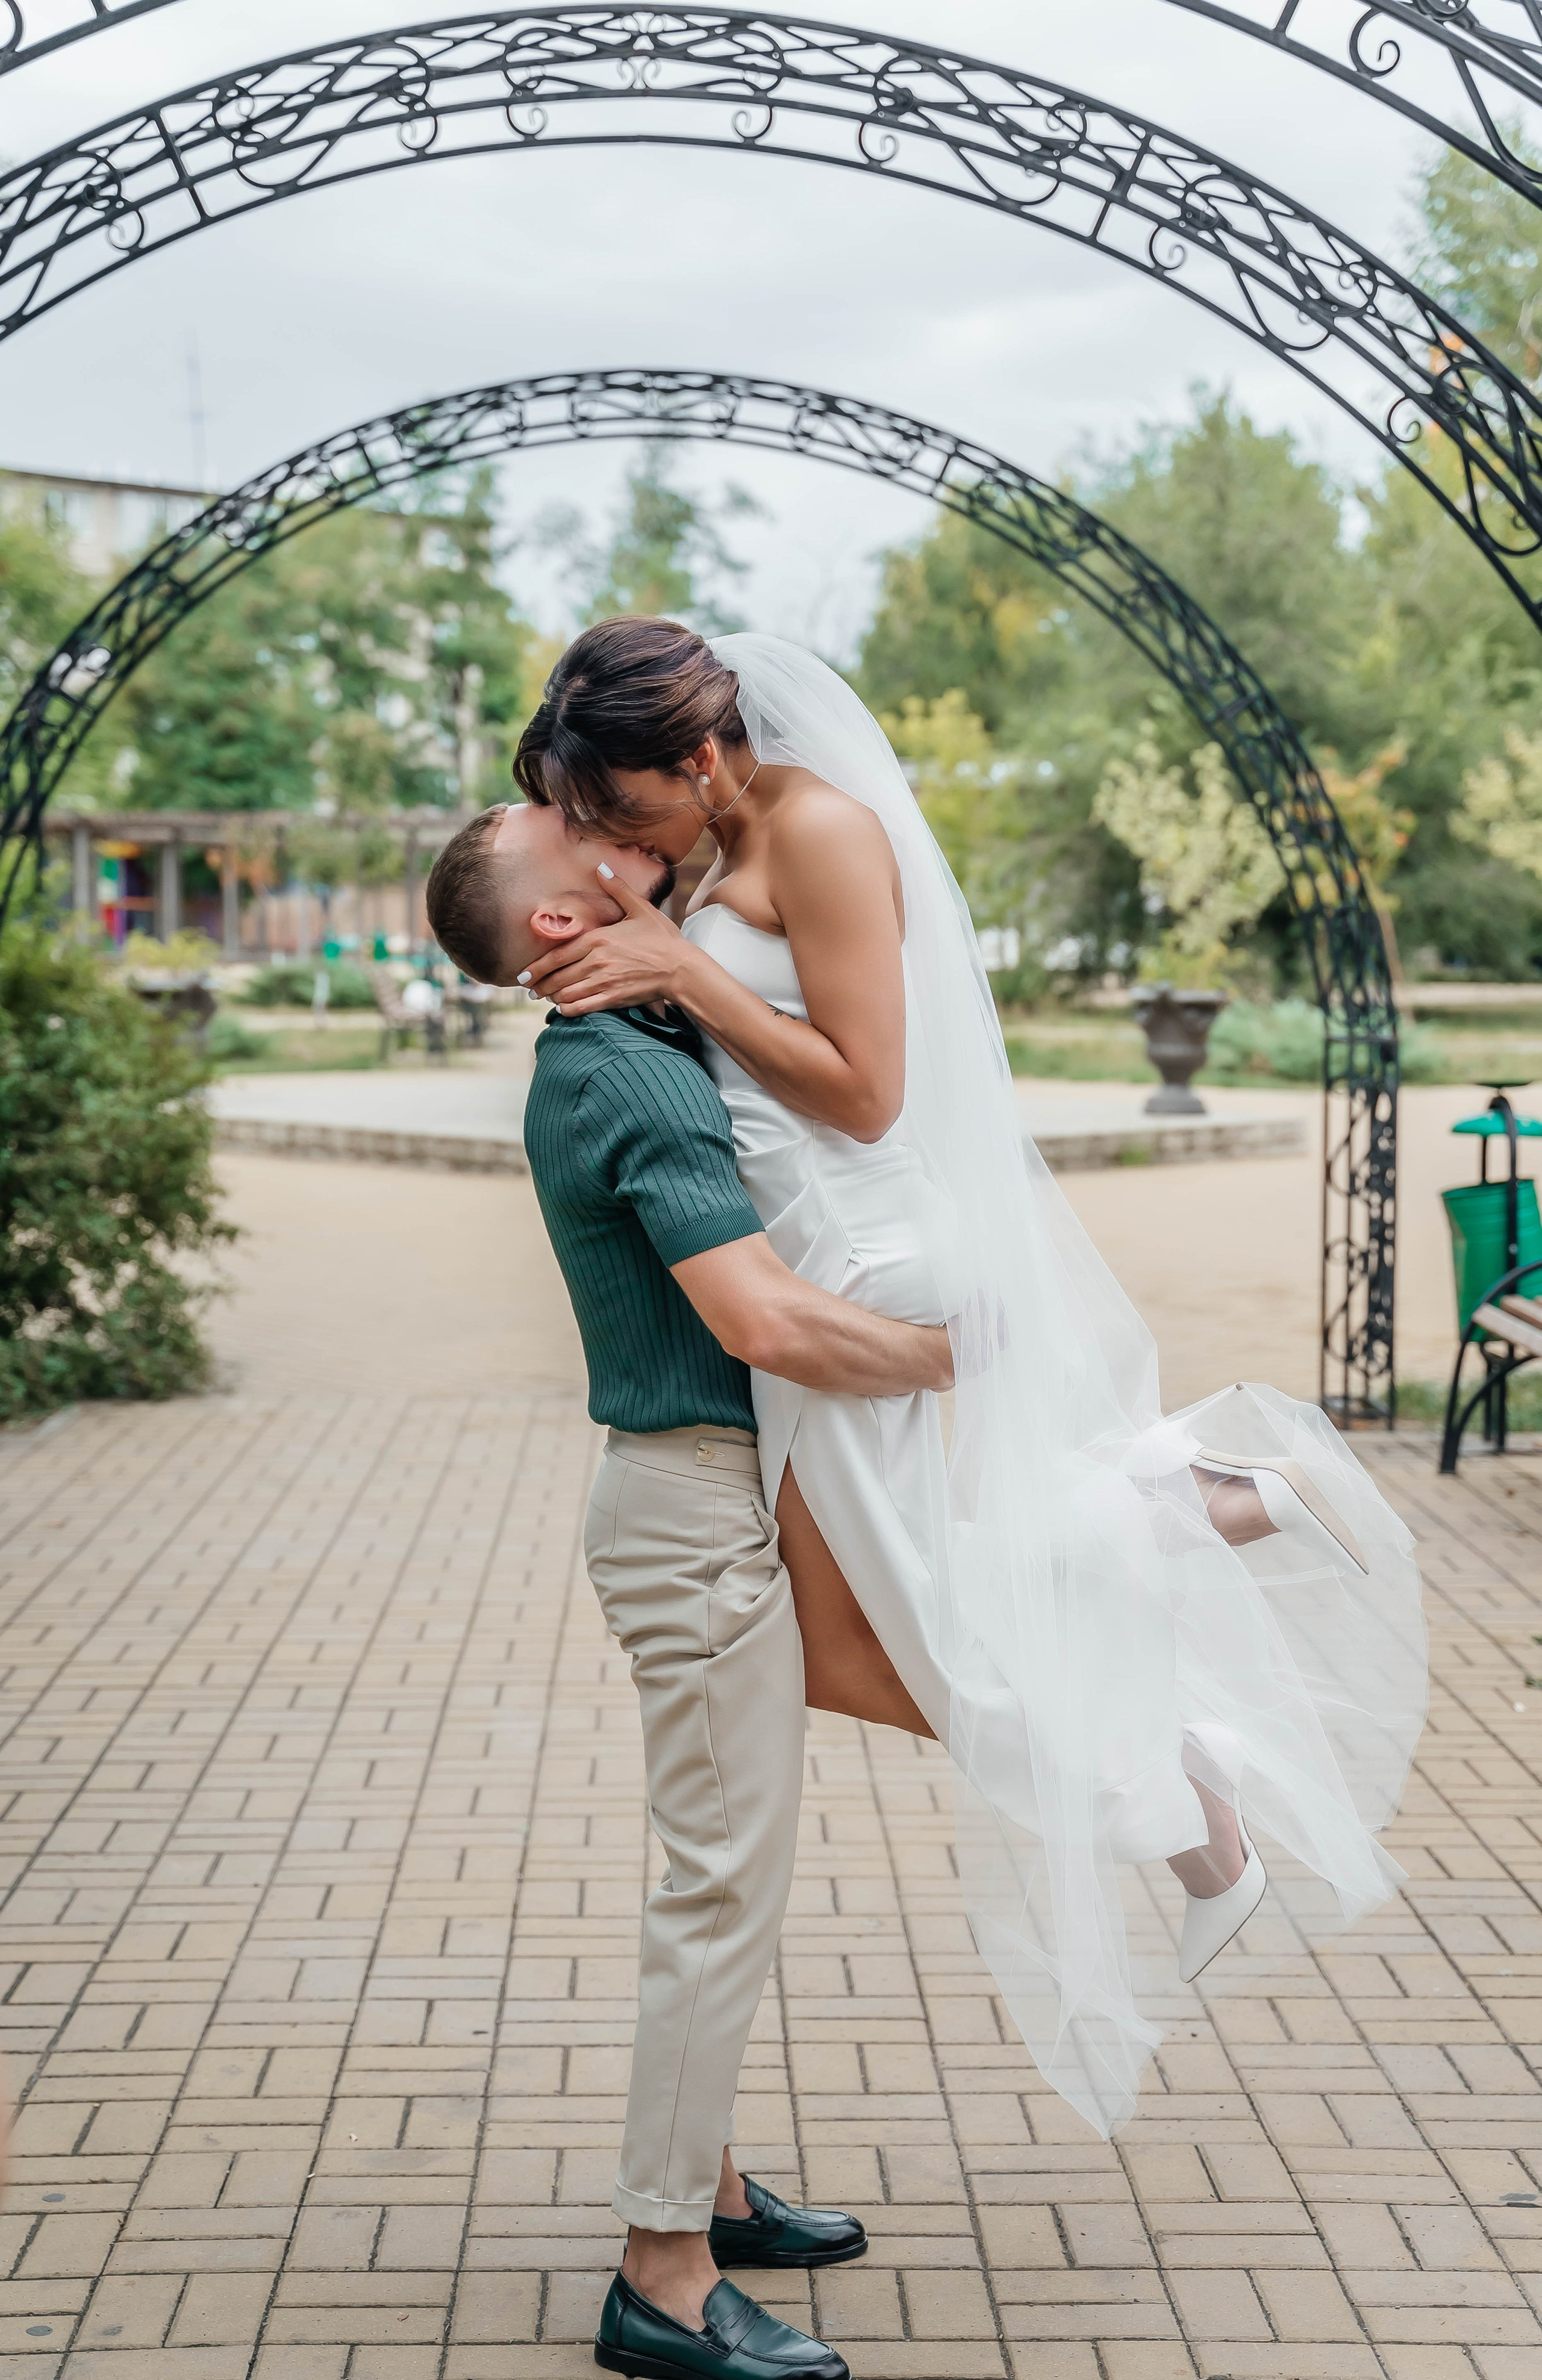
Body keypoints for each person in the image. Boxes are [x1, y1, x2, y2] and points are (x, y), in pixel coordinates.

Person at [490, 620, 1428, 2140]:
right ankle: (1195, 1631)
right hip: (806, 1263)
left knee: (879, 1630)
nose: (607, 838)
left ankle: (1201, 1687)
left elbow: (869, 1093)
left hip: (865, 1257)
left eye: (622, 808)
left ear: (706, 757)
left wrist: (682, 971)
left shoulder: (823, 830)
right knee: (907, 1616)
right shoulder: (716, 851)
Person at [425, 799, 954, 2380]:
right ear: (555, 926)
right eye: (565, 827)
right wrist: (958, 1358)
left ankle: (708, 2193)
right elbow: (767, 1324)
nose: (597, 822)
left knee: (730, 1876)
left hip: (703, 1506)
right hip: (693, 1514)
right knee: (717, 1891)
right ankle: (660, 2277)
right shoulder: (627, 1073)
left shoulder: (633, 1038)